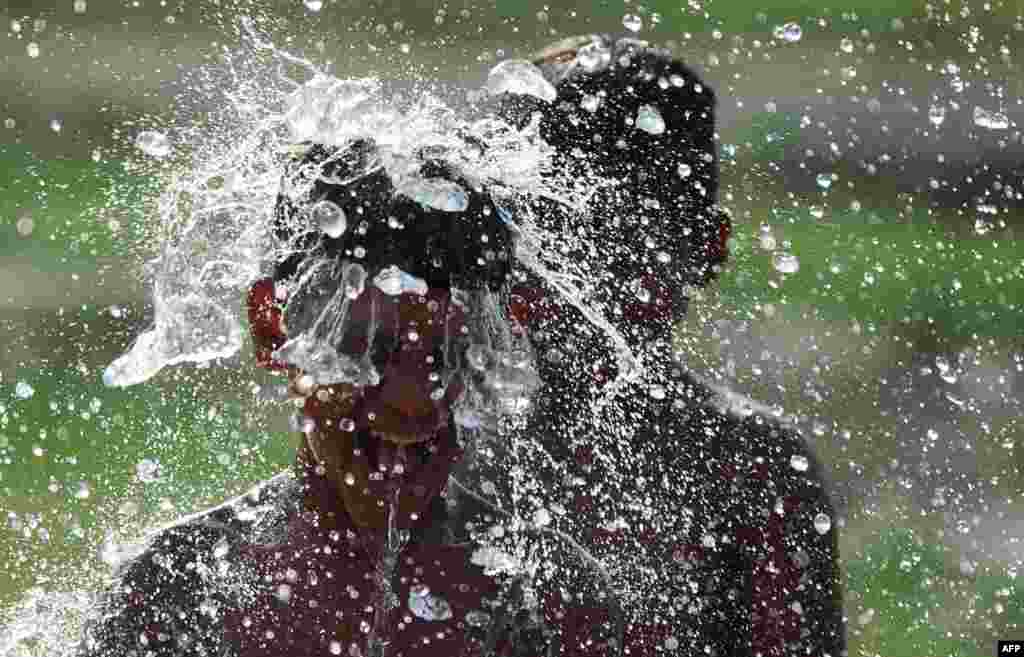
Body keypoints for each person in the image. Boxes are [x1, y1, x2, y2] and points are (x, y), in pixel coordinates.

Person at [78, 34, 845, 657]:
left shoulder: (556, 594)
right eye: (369, 349)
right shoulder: (184, 586)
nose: (414, 403)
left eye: (441, 358)